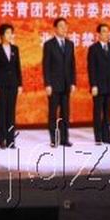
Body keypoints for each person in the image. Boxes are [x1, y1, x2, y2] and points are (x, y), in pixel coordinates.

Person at [43, 17, 76, 148]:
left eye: (65, 26)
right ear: (55, 29)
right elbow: (46, 66)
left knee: (65, 113)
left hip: (66, 84)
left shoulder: (70, 44)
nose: (64, 29)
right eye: (61, 26)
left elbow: (72, 65)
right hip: (53, 85)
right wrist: (47, 84)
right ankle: (54, 139)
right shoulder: (49, 45)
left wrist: (73, 82)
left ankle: (64, 138)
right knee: (53, 113)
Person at [87, 23, 110, 145]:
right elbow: (91, 68)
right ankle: (98, 137)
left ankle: (107, 137)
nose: (107, 34)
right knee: (98, 112)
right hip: (98, 86)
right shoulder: (93, 49)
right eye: (104, 31)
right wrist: (93, 85)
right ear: (98, 34)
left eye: (108, 31)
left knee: (107, 112)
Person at [0, 23, 23, 149]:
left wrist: (20, 84)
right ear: (1, 35)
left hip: (13, 85)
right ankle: (2, 140)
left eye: (11, 33)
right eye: (7, 33)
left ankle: (11, 140)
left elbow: (18, 67)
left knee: (11, 113)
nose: (10, 35)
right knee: (1, 113)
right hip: (1, 86)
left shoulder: (15, 49)